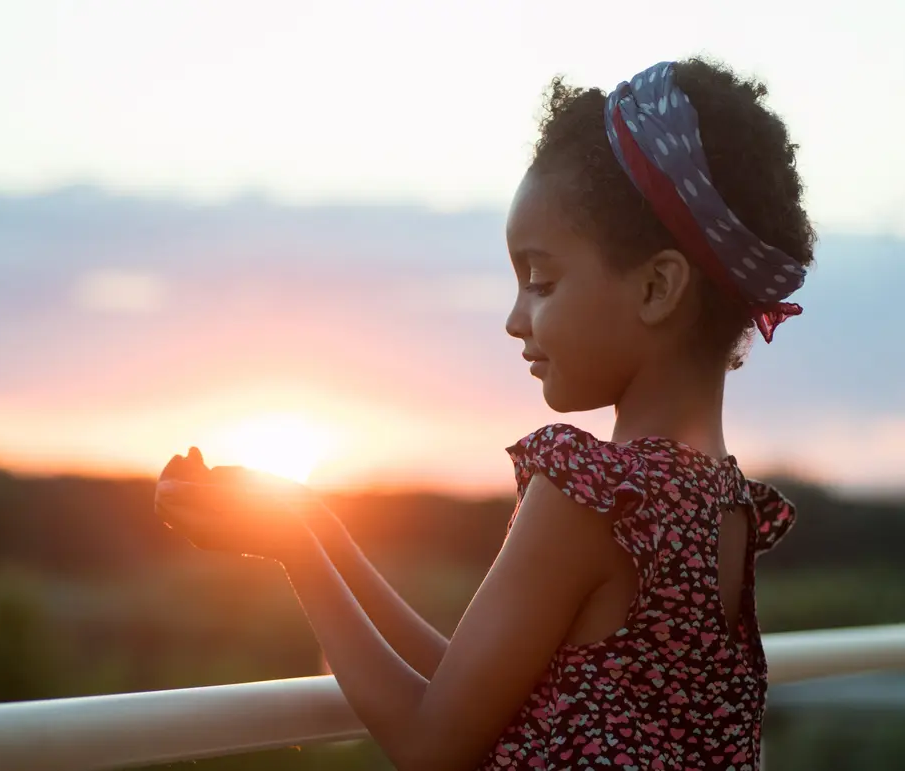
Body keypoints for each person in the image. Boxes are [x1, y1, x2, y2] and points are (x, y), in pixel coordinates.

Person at [156, 56, 813, 771]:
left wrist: (296, 552)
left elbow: (432, 741)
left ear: (657, 286)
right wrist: (319, 525)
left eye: (541, 281)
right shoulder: (722, 503)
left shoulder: (594, 494)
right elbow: (483, 689)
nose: (514, 319)